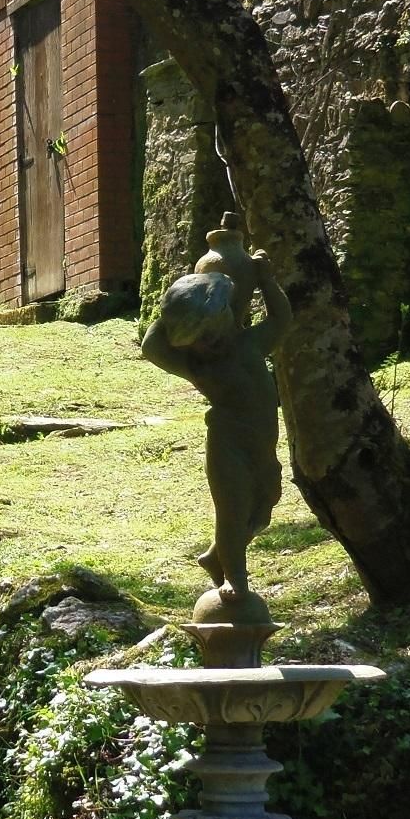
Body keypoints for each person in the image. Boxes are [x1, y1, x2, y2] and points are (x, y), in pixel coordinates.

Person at [141, 251, 292, 605]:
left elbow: (282, 319)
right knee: (233, 511)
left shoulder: (250, 344)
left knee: (265, 503)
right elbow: (151, 347)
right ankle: (235, 577)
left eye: (214, 332)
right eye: (199, 339)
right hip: (228, 445)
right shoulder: (198, 367)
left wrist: (266, 281)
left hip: (263, 444)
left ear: (228, 317)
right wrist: (175, 305)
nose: (210, 344)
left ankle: (215, 555)